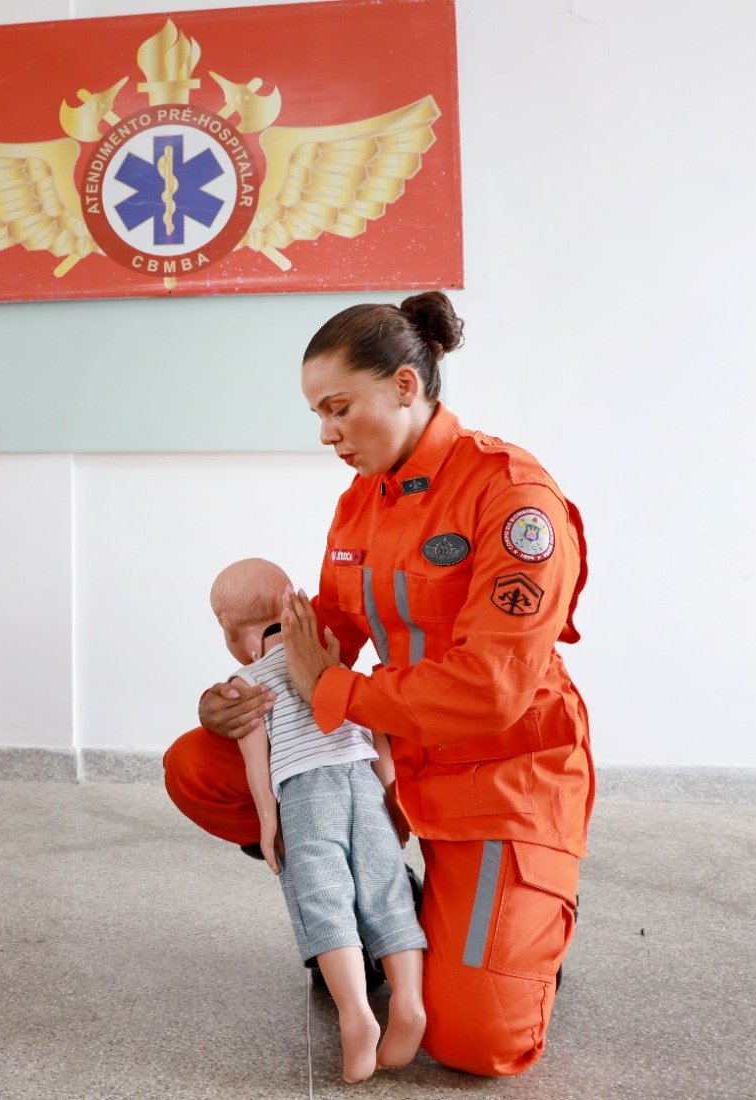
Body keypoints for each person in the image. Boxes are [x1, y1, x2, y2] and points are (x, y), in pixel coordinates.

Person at [163, 291, 592, 1077]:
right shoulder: (363, 499)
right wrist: (240, 693)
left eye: (338, 409)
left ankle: (526, 905)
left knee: (477, 1046)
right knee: (198, 762)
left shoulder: (514, 499)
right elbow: (324, 634)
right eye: (316, 415)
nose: (326, 434)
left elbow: (489, 692)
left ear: (403, 386)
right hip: (392, 755)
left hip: (500, 772)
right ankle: (372, 903)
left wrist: (335, 694)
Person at [212, 557, 426, 1082]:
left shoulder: (245, 681)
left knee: (322, 895)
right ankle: (410, 1004)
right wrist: (391, 792)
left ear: (234, 633)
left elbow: (256, 761)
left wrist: (268, 820)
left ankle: (356, 1014)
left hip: (307, 792)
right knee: (386, 889)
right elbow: (373, 726)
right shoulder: (331, 658)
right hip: (363, 781)